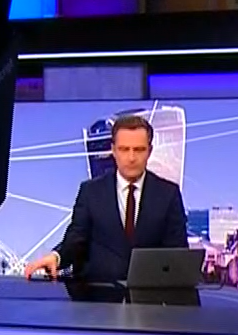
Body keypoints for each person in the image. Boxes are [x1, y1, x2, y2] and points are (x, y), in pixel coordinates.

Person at [24, 113, 189, 283]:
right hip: (97, 293)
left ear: (150, 151)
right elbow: (77, 237)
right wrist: (57, 257)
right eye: (124, 149)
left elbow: (177, 252)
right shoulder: (90, 191)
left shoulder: (168, 194)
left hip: (150, 294)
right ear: (113, 150)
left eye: (139, 150)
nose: (131, 158)